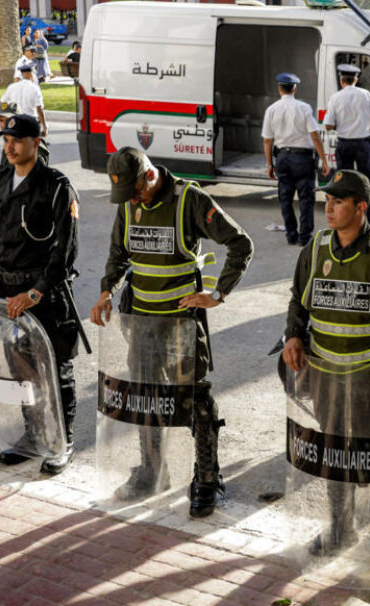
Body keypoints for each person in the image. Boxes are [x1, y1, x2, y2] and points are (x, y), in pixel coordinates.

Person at [90, 147, 254, 516]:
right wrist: (106, 293)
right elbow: (118, 254)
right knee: (146, 397)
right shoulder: (130, 202)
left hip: (180, 323)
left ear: (149, 176)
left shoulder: (188, 200)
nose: (132, 202)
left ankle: (207, 478)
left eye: (135, 193)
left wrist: (217, 294)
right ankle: (151, 472)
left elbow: (240, 244)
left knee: (193, 398)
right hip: (141, 322)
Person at [281, 169, 370, 561]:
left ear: (361, 208)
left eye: (338, 202)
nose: (328, 208)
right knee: (334, 452)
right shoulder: (316, 247)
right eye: (327, 201)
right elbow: (298, 299)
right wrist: (293, 334)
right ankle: (340, 529)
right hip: (326, 377)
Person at [0, 114, 79, 474]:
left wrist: (36, 292)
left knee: (56, 370)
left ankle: (62, 442)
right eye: (7, 140)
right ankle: (34, 435)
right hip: (6, 294)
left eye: (18, 139)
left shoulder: (56, 185)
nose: (10, 146)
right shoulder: (1, 181)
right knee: (21, 369)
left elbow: (65, 250)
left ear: (37, 141)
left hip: (43, 296)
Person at [262, 73, 330, 246]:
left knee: (285, 198)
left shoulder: (272, 109)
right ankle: (305, 237)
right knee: (306, 198)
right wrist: (324, 159)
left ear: (279, 89)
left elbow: (267, 140)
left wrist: (270, 163)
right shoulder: (304, 108)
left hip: (282, 158)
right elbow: (315, 135)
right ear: (295, 88)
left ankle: (291, 235)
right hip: (303, 159)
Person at [325, 63, 370, 229]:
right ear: (356, 79)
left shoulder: (335, 97)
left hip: (344, 145)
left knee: (344, 186)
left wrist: (341, 125)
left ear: (342, 80)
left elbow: (328, 125)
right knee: (369, 184)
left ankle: (346, 222)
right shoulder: (365, 95)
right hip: (363, 145)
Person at [0, 63, 49, 133]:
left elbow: (3, 102)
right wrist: (45, 126)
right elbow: (39, 109)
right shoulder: (35, 88)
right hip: (30, 121)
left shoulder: (12, 87)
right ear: (31, 74)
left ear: (22, 74)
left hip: (15, 121)